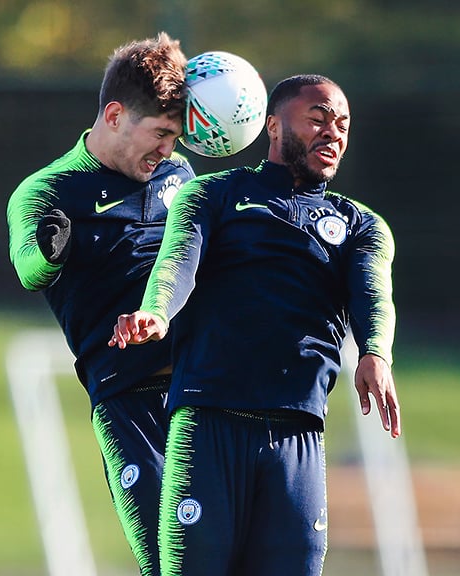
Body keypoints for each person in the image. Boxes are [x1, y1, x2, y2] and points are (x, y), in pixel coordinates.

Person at [109, 74, 401, 576]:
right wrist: (156, 311)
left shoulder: (361, 225)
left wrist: (376, 350)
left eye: (343, 125)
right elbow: (178, 262)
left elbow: (373, 293)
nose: (333, 133)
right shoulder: (214, 195)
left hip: (298, 437)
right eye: (317, 118)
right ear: (272, 124)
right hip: (208, 422)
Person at [6, 32, 193, 576]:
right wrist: (49, 249)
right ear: (114, 115)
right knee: (169, 563)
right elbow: (27, 269)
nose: (168, 150)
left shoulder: (180, 177)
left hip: (205, 390)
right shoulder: (46, 191)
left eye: (176, 137)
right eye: (159, 133)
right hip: (126, 403)